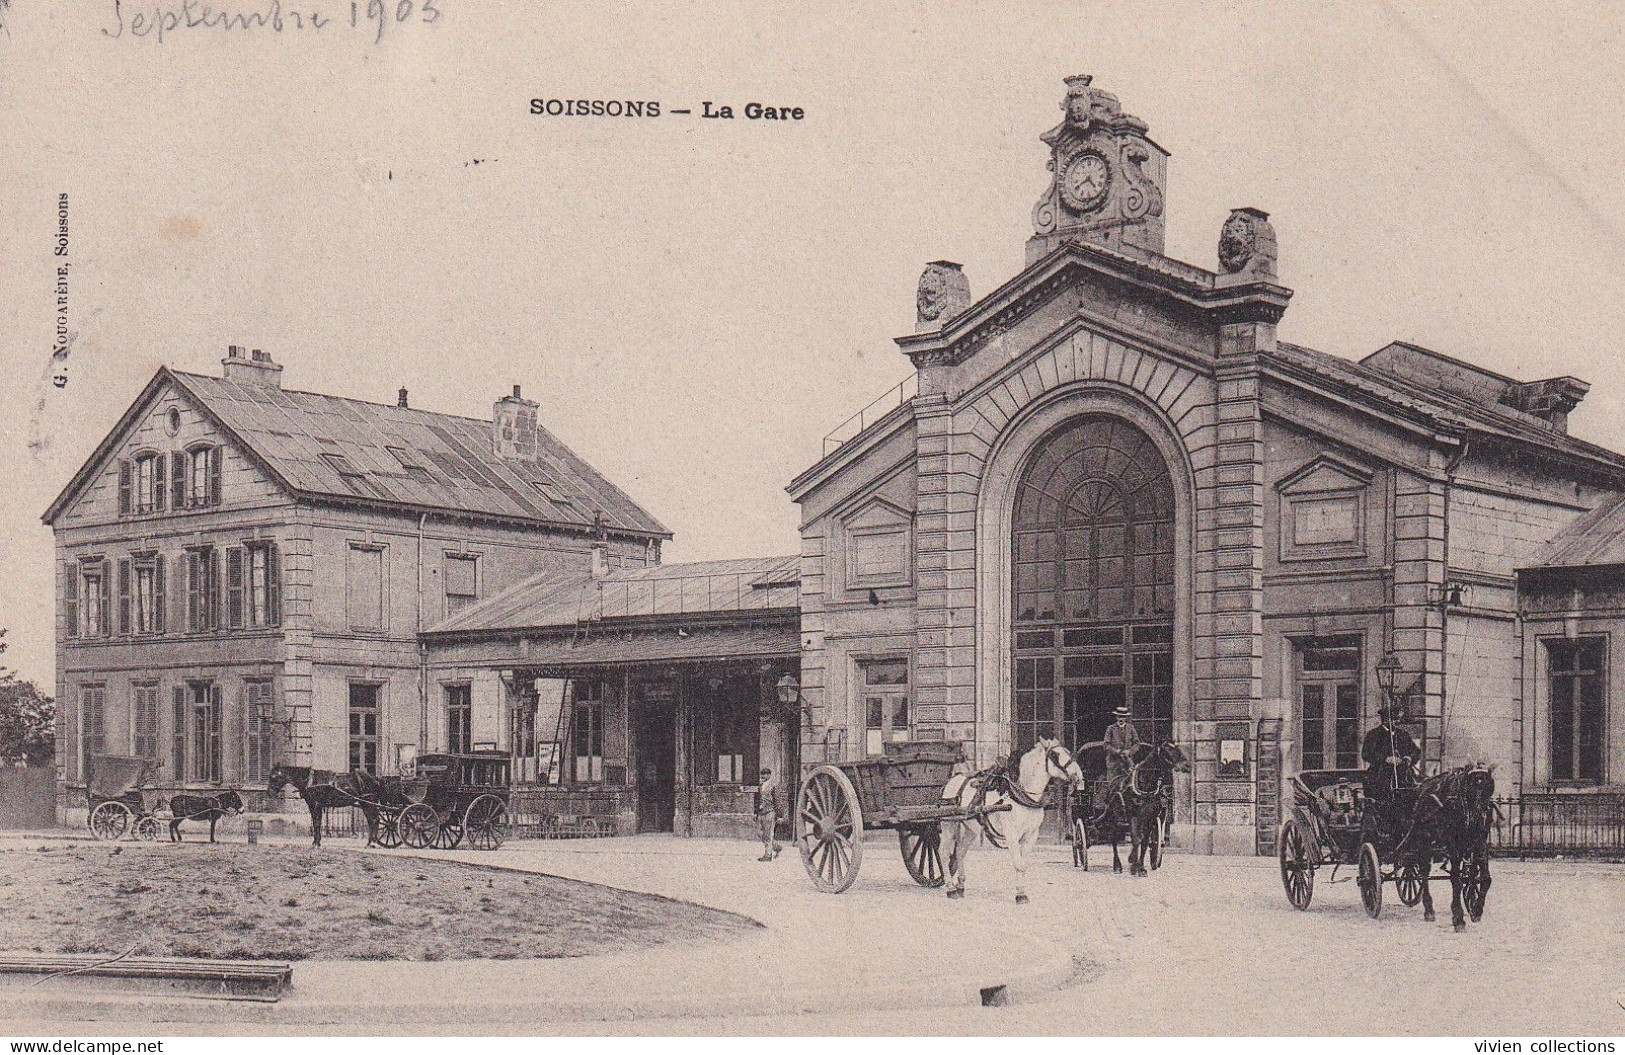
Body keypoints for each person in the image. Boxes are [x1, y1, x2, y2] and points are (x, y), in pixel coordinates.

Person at [1361, 704, 1421, 838]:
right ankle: (1385, 829)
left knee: (1413, 794)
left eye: (1395, 719)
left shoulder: (1403, 735)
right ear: (1383, 720)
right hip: (1380, 776)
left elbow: (1416, 752)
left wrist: (1409, 758)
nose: (1393, 722)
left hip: (1403, 776)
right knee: (1384, 800)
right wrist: (1385, 759)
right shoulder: (1373, 735)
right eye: (1390, 719)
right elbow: (1366, 754)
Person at [755, 766, 782, 861]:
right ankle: (777, 847)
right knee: (760, 833)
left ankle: (768, 855)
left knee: (768, 834)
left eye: (766, 774)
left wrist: (779, 815)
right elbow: (757, 800)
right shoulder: (760, 786)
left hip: (770, 812)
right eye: (762, 774)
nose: (764, 776)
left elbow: (777, 801)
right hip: (761, 812)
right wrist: (756, 812)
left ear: (769, 775)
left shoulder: (774, 786)